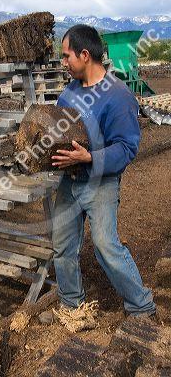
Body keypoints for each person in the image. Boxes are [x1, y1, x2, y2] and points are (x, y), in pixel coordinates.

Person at [50, 24, 156, 317]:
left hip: (101, 184)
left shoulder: (118, 96)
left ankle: (142, 307)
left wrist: (89, 157)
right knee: (63, 247)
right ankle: (72, 305)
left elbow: (126, 148)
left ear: (85, 55)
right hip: (69, 182)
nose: (64, 62)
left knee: (105, 246)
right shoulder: (69, 93)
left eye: (66, 56)